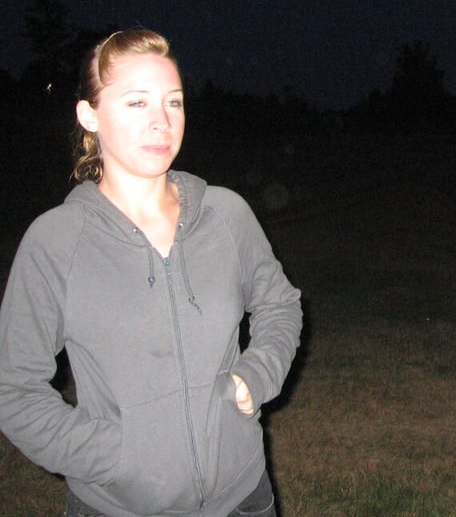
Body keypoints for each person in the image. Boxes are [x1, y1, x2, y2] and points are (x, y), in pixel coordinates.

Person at [0, 29, 302, 517]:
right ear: (89, 115)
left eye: (173, 102)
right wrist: (111, 457)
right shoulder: (56, 241)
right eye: (137, 102)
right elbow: (13, 389)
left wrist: (258, 373)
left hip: (243, 497)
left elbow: (279, 303)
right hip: (116, 506)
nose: (161, 121)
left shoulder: (225, 214)